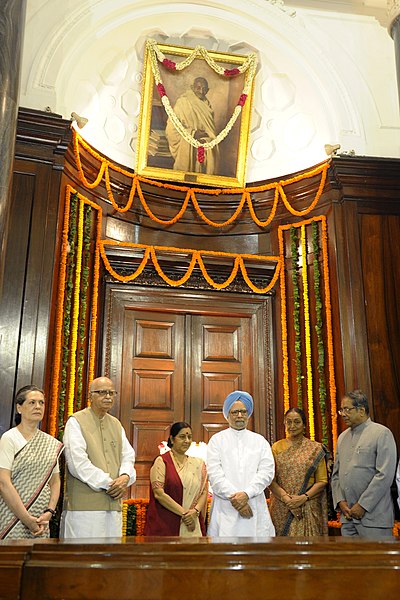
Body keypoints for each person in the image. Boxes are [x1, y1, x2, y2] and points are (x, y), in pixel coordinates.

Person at [60, 376, 136, 538]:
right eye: (102, 392)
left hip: (113, 506)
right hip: (84, 509)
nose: (108, 396)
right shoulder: (76, 421)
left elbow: (128, 456)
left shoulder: (115, 423)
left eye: (111, 393)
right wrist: (109, 484)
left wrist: (124, 477)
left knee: (110, 558)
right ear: (90, 396)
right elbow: (77, 464)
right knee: (83, 558)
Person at [207, 390, 275, 537]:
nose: (240, 415)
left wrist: (247, 494)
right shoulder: (217, 441)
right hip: (226, 509)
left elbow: (267, 472)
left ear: (248, 414)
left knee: (256, 555)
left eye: (243, 412)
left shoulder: (260, 441)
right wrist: (238, 500)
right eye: (235, 412)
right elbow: (214, 475)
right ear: (227, 415)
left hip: (254, 506)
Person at [331, 389, 397, 538]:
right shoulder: (342, 437)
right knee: (350, 561)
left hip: (374, 518)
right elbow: (336, 475)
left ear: (361, 410)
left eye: (347, 409)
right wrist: (340, 502)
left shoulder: (381, 433)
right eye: (341, 410)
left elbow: (384, 475)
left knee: (376, 561)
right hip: (347, 518)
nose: (343, 414)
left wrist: (363, 505)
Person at [0, 385, 63, 539]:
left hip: (41, 519)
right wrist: (27, 519)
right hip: (12, 515)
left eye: (41, 403)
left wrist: (49, 512)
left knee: (38, 562)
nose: (38, 407)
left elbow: (55, 482)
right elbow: (3, 482)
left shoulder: (50, 443)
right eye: (32, 402)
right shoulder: (10, 438)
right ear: (19, 408)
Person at [268, 407, 329, 536]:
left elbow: (322, 481)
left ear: (304, 424)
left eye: (297, 422)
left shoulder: (315, 449)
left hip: (307, 506)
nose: (292, 426)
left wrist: (303, 498)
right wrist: (287, 499)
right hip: (281, 507)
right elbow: (270, 480)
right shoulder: (276, 447)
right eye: (288, 422)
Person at [144, 422, 207, 536]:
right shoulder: (162, 461)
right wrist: (185, 514)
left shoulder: (198, 463)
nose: (187, 441)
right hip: (167, 522)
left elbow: (203, 492)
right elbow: (159, 494)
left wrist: (195, 511)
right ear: (172, 439)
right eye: (182, 437)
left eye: (189, 437)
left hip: (192, 522)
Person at [165, 76, 219, 174]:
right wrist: (193, 133)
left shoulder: (207, 105)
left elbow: (211, 130)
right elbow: (171, 127)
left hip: (205, 144)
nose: (201, 91)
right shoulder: (183, 102)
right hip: (187, 142)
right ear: (192, 87)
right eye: (198, 88)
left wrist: (206, 138)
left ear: (208, 90)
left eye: (204, 89)